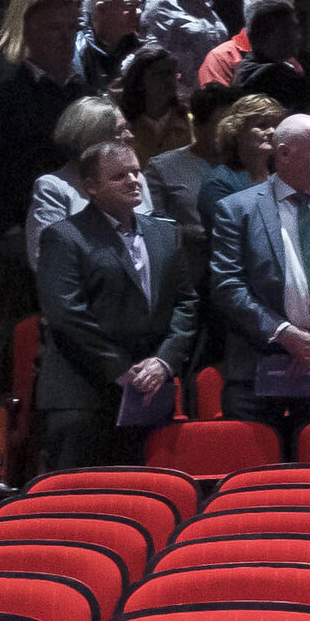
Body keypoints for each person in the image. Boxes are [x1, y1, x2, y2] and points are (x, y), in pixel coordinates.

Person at [202, 109, 310, 448]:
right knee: (254, 481)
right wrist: (285, 334)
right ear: (283, 154)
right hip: (258, 367)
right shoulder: (237, 209)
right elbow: (227, 285)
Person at [30, 136, 194, 477]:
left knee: (145, 497)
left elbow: (186, 303)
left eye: (136, 172)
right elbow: (66, 312)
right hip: (83, 394)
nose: (134, 181)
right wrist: (121, 370)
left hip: (149, 389)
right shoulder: (64, 236)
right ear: (90, 186)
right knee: (79, 509)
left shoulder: (165, 233)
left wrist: (164, 361)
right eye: (120, 176)